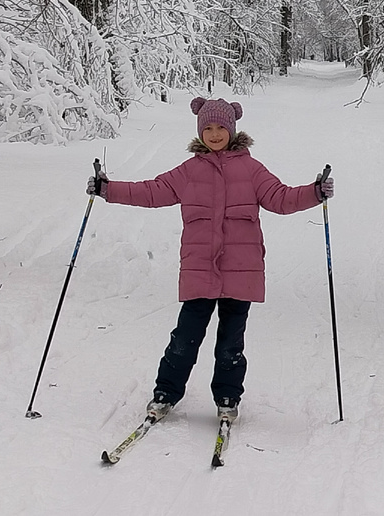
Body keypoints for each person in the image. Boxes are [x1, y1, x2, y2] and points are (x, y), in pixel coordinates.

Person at [86, 96, 334, 425]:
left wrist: (314, 192)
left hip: (240, 271)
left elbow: (281, 197)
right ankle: (166, 393)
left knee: (231, 343)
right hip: (200, 269)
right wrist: (108, 189)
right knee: (184, 338)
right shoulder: (189, 172)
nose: (215, 134)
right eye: (208, 128)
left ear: (232, 130)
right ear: (200, 131)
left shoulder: (251, 169)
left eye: (221, 127)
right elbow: (150, 191)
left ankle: (228, 397)